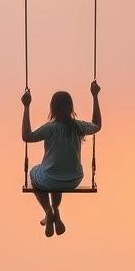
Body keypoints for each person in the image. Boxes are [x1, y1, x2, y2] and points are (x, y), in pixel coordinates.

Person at [21, 82, 102, 237]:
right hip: (73, 179)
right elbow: (97, 125)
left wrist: (26, 106)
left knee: (36, 173)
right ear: (71, 108)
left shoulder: (50, 128)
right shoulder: (79, 126)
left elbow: (27, 136)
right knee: (55, 175)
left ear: (52, 108)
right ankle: (56, 210)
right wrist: (95, 96)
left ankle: (48, 211)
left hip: (50, 179)